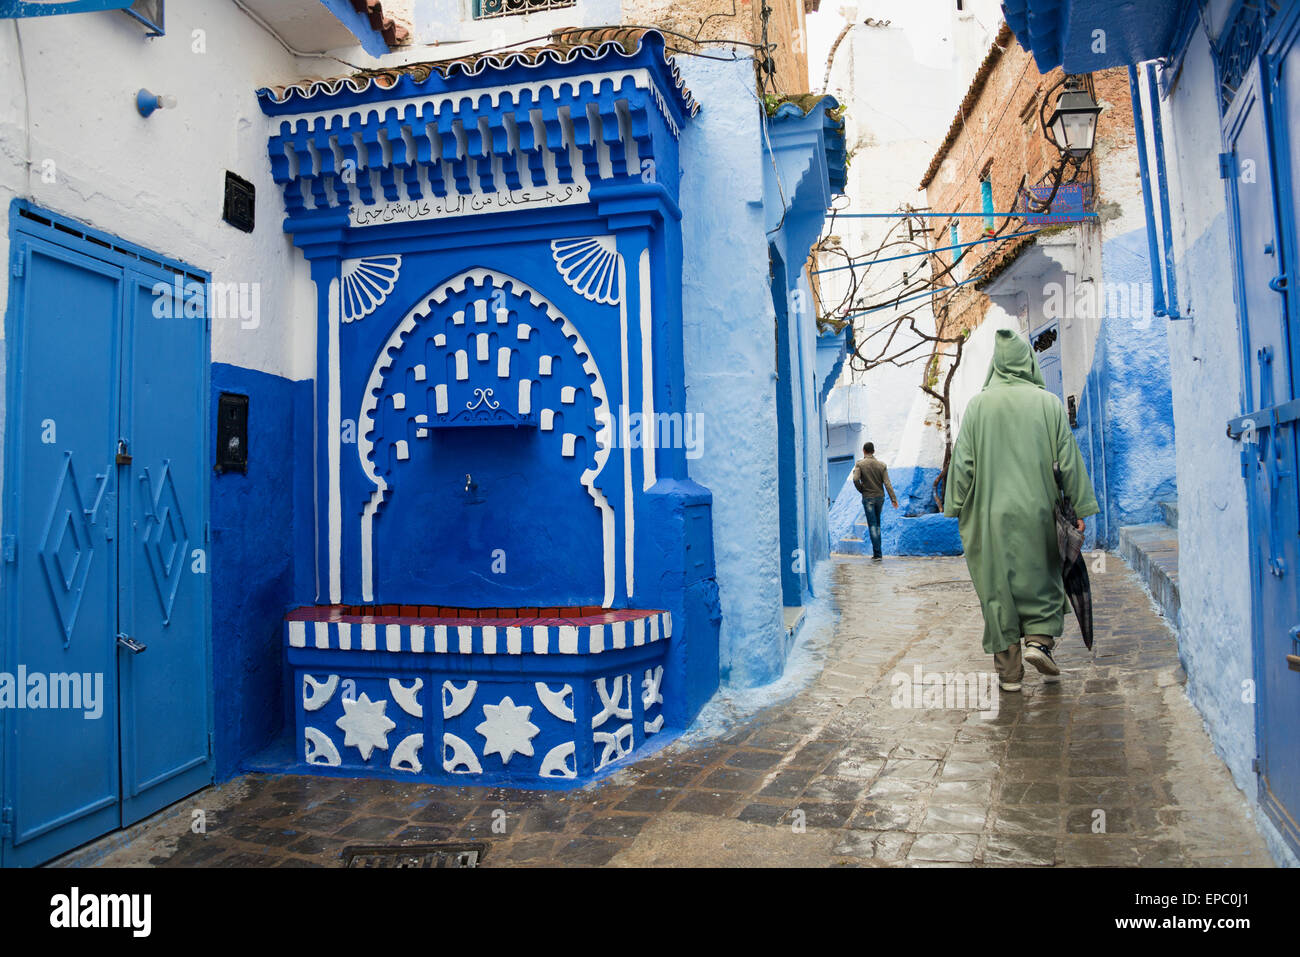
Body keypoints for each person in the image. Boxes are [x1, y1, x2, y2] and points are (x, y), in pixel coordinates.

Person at [942, 329, 1099, 692]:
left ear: (996, 366)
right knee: (1041, 576)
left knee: (997, 588)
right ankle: (1039, 641)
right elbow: (1069, 461)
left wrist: (954, 505)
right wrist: (1079, 507)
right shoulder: (1048, 404)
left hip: (989, 517)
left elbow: (963, 464)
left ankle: (1009, 673)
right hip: (1038, 511)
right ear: (1028, 363)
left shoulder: (978, 407)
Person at [852, 442, 898, 562]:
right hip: (880, 498)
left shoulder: (860, 464)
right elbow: (887, 483)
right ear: (873, 451)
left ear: (863, 451)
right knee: (877, 524)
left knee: (873, 525)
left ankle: (877, 554)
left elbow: (856, 479)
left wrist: (862, 489)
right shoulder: (881, 465)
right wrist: (893, 499)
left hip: (868, 498)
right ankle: (878, 553)